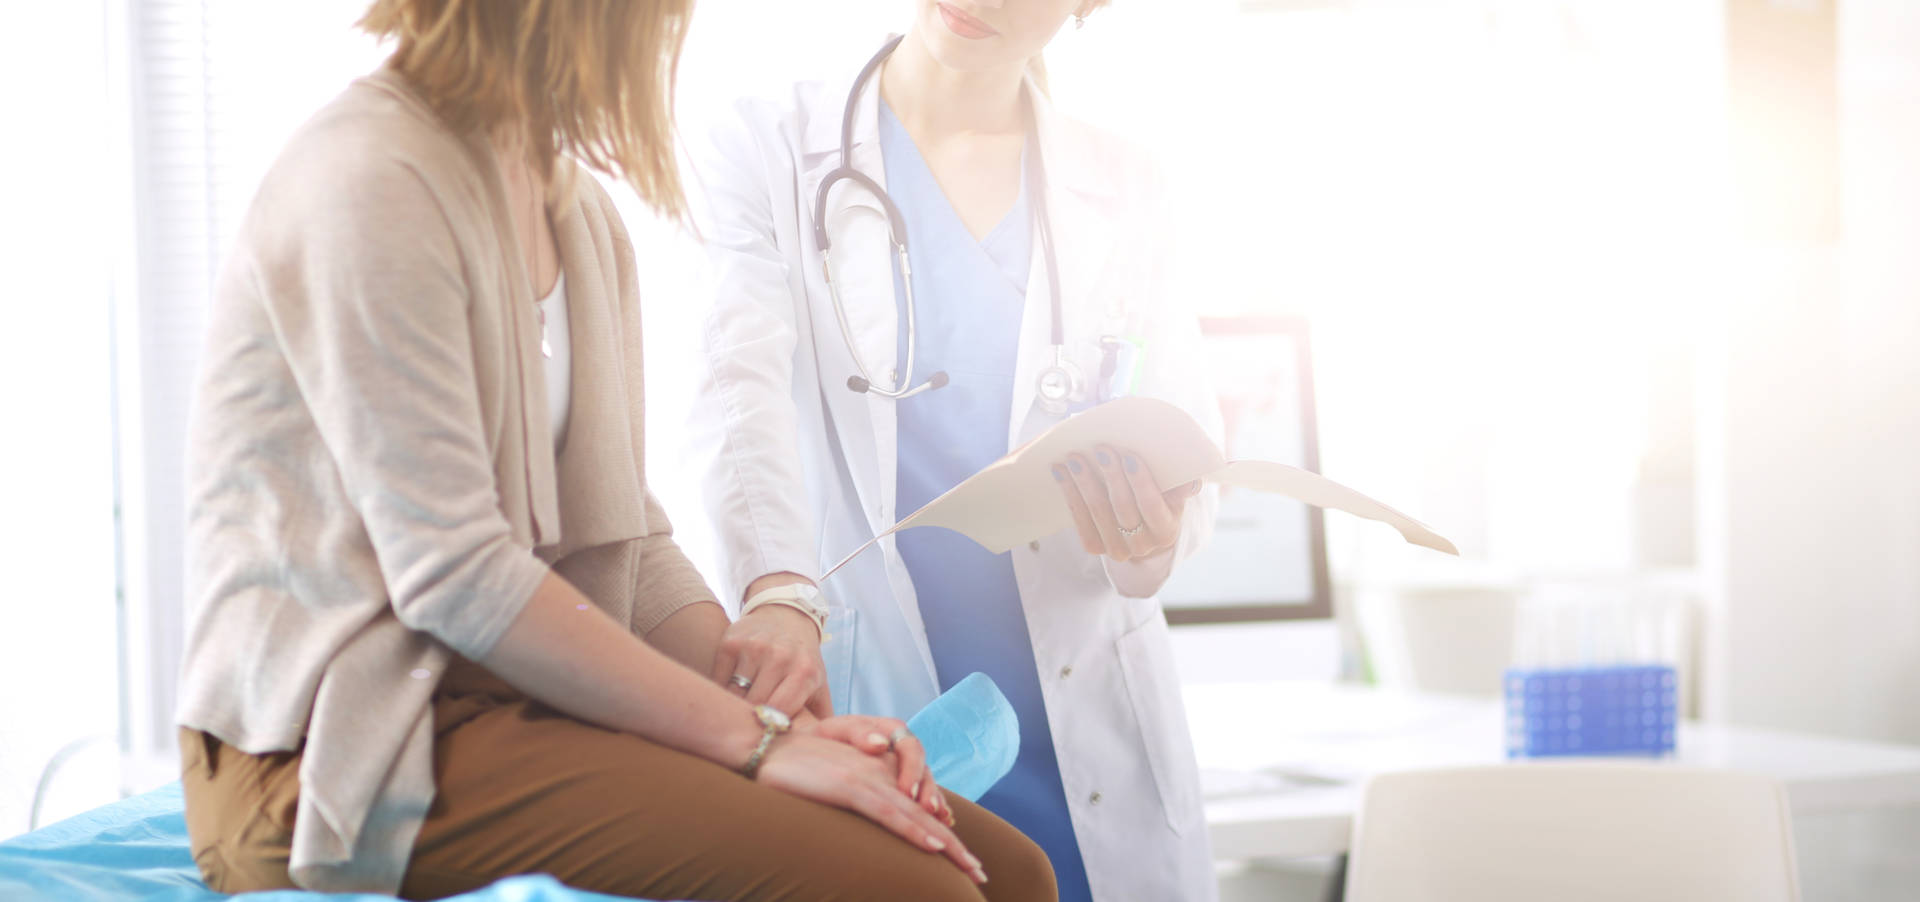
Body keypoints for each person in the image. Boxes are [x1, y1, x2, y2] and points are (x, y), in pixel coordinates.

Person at [171, 2, 1055, 900]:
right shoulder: (371, 179)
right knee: (922, 891)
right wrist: (757, 744)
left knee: (1011, 873)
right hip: (340, 749)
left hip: (509, 708)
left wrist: (769, 706)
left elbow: (626, 534)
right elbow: (456, 573)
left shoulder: (576, 210)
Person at [685, 2, 1223, 899]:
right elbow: (732, 389)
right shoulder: (767, 145)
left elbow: (1190, 445)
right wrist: (776, 586)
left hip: (1087, 727)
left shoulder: (1127, 185)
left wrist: (1153, 534)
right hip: (888, 703)